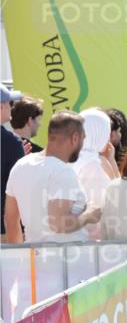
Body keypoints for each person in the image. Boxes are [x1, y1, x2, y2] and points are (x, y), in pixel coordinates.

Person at [4, 110, 102, 243]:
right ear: (75, 138)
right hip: (67, 260)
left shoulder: (20, 165)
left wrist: (19, 258)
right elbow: (59, 224)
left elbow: (11, 220)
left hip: (34, 258)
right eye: (83, 139)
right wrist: (89, 215)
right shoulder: (63, 172)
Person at [74, 109, 119, 238]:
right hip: (93, 243)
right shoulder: (93, 166)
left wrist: (110, 161)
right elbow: (114, 201)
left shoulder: (71, 158)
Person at [1, 85, 26, 238]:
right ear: (1, 106)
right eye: (10, 104)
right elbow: (20, 186)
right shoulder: (11, 142)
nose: (12, 108)